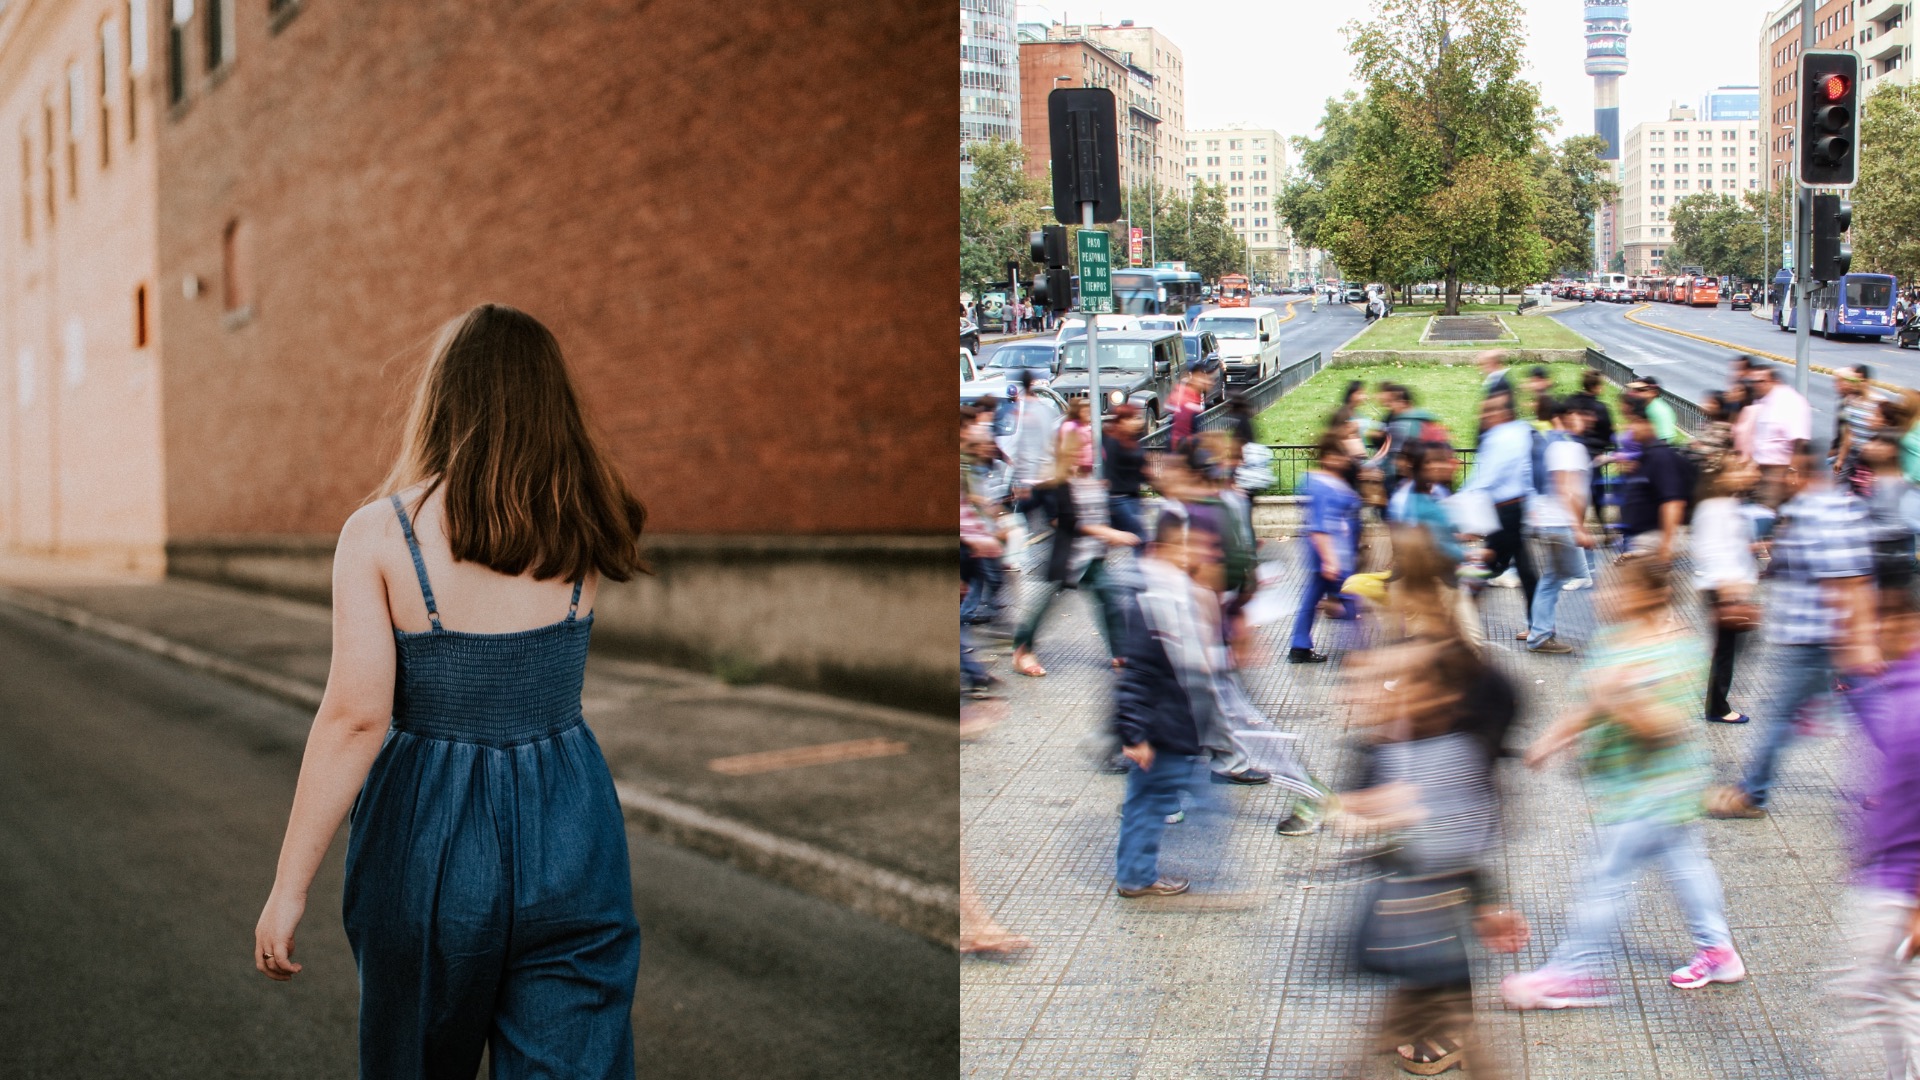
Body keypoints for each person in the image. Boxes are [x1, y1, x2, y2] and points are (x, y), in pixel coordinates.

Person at [253, 304, 646, 1072]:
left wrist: (287, 887)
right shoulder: (587, 520)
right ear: (551, 401)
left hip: (427, 834)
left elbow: (355, 720)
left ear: (443, 400)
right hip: (573, 825)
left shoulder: (378, 535)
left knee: (416, 1059)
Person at [1504, 556, 1744, 1010]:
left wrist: (1620, 698)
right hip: (1633, 784)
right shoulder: (1614, 639)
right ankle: (1719, 951)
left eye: (1616, 589)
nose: (1603, 596)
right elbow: (1592, 703)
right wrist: (1552, 740)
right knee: (1687, 864)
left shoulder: (1677, 650)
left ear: (1650, 595)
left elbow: (1667, 725)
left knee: (1605, 877)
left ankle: (1575, 973)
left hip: (1655, 788)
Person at [1339, 631, 1526, 1077]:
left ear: (1433, 696)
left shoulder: (1455, 754)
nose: (1360, 694)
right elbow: (1361, 802)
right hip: (1399, 914)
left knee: (1436, 1005)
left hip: (1429, 920)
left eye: (1385, 683)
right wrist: (1359, 811)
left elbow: (1464, 841)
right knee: (1410, 1006)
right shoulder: (1382, 748)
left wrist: (1487, 906)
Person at [1708, 439, 1880, 819]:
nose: (1778, 477)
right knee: (1867, 711)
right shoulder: (1816, 508)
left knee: (1783, 716)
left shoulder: (1822, 512)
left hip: (1817, 639)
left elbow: (1848, 580)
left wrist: (1858, 641)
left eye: (1785, 470)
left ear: (1799, 473)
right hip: (1816, 637)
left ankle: (1753, 794)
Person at [1111, 514, 1231, 898]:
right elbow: (1137, 674)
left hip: (1176, 722)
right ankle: (1136, 877)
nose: (1193, 554)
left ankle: (1136, 874)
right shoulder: (1154, 601)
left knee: (1152, 801)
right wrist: (1134, 734)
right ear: (1161, 550)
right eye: (1185, 546)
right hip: (1161, 726)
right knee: (1151, 803)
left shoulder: (1176, 592)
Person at [1833, 583, 1920, 1078]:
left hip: (1900, 888)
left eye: (1877, 621)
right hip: (1887, 876)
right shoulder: (1899, 685)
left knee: (1873, 1000)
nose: (1868, 633)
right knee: (1890, 1002)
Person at [1010, 428, 1138, 678]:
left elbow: (1097, 514)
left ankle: (1120, 651)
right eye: (1084, 447)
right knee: (1047, 604)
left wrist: (1109, 534)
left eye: (1090, 446)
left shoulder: (1092, 481)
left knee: (1109, 598)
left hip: (1091, 556)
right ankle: (1022, 649)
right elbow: (1069, 521)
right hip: (1069, 556)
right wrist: (1109, 533)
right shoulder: (1059, 483)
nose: (1090, 451)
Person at [1692, 457, 1761, 724]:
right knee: (1725, 651)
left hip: (1730, 589)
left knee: (1728, 649)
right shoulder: (1715, 508)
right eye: (1740, 469)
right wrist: (1727, 594)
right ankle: (1717, 707)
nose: (1750, 473)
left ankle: (1717, 703)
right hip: (1723, 590)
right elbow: (1711, 552)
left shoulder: (1728, 504)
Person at [1460, 391, 1538, 625]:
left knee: (1489, 564)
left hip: (1505, 510)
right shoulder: (1521, 431)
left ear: (1504, 412)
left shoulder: (1500, 437)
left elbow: (1486, 477)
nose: (1485, 416)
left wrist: (1460, 502)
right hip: (1512, 508)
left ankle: (1458, 615)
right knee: (1522, 568)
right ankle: (1538, 624)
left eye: (1491, 410)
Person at [1524, 398, 1592, 655]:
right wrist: (1578, 528)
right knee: (1585, 579)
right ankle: (1540, 634)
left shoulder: (1552, 443)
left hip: (1548, 521)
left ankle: (1539, 632)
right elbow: (1567, 489)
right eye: (1581, 415)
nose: (1587, 420)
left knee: (1553, 578)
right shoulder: (1567, 447)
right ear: (1568, 415)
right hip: (1561, 524)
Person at [1291, 432, 1360, 664]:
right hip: (1332, 554)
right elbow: (1320, 525)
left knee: (1311, 599)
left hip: (1328, 553)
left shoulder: (1321, 482)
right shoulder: (1323, 485)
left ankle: (1299, 645)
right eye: (1340, 456)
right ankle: (1355, 650)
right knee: (1349, 597)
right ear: (1329, 457)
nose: (1345, 461)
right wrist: (1330, 560)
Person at [1615, 402, 1690, 562]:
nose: (1630, 428)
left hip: (1653, 540)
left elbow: (1673, 502)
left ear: (1648, 423)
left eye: (1634, 422)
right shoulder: (1646, 456)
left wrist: (1666, 544)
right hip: (1641, 539)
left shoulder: (1661, 457)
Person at [1736, 362, 1811, 508]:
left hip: (1779, 469)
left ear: (1774, 381)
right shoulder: (1763, 400)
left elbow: (1799, 441)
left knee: (1769, 509)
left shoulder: (1790, 401)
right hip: (1760, 467)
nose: (1756, 385)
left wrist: (1793, 471)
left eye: (1761, 381)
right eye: (1753, 382)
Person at [1103, 403, 1148, 540]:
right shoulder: (1111, 441)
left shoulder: (1133, 441)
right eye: (1131, 418)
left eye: (1137, 418)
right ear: (1121, 422)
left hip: (1133, 497)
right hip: (1118, 499)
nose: (1136, 422)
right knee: (1140, 537)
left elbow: (1142, 472)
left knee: (1137, 537)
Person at [1167, 360, 1212, 451]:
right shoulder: (1187, 399)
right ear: (1194, 376)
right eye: (1203, 378)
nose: (1207, 382)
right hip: (1181, 451)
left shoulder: (1195, 396)